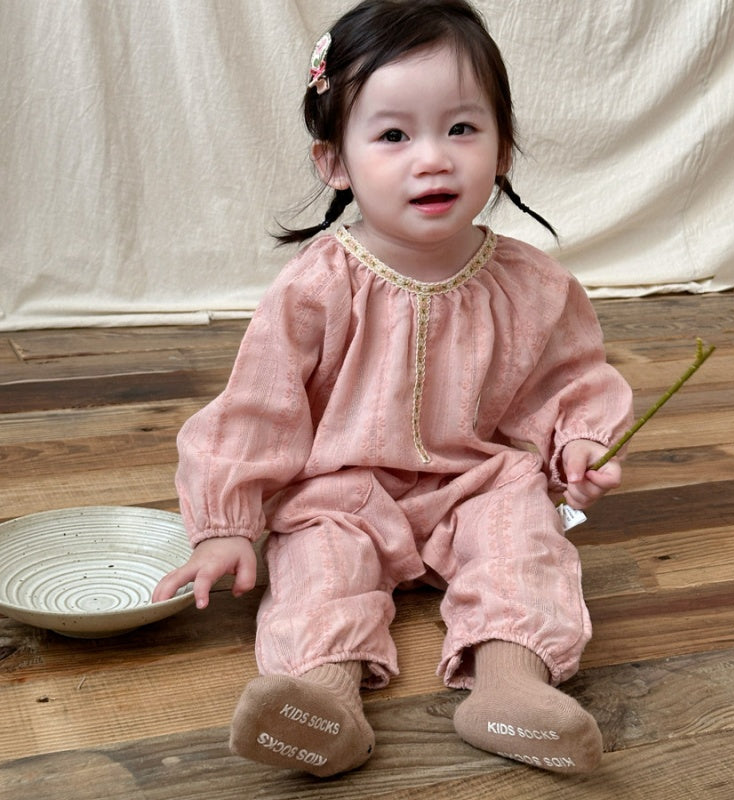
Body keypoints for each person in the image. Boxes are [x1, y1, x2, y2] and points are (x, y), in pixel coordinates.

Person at [153, 0, 633, 778]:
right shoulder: (316, 286)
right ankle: (323, 698)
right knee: (318, 564)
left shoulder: (533, 284)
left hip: (476, 480)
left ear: (504, 146)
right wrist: (225, 523)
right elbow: (258, 409)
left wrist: (579, 440)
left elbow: (569, 377)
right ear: (334, 163)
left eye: (461, 128)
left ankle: (512, 686)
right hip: (342, 492)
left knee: (522, 537)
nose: (433, 159)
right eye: (393, 136)